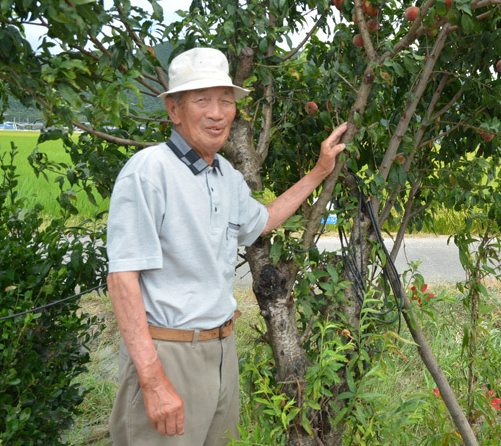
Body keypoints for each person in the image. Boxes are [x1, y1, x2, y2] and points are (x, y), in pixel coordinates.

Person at [106, 47, 347, 446]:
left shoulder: (225, 175)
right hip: (169, 353)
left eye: (226, 101)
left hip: (221, 351)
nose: (217, 113)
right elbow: (122, 279)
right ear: (174, 110)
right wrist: (151, 381)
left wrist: (319, 172)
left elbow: (262, 220)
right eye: (202, 100)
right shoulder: (149, 171)